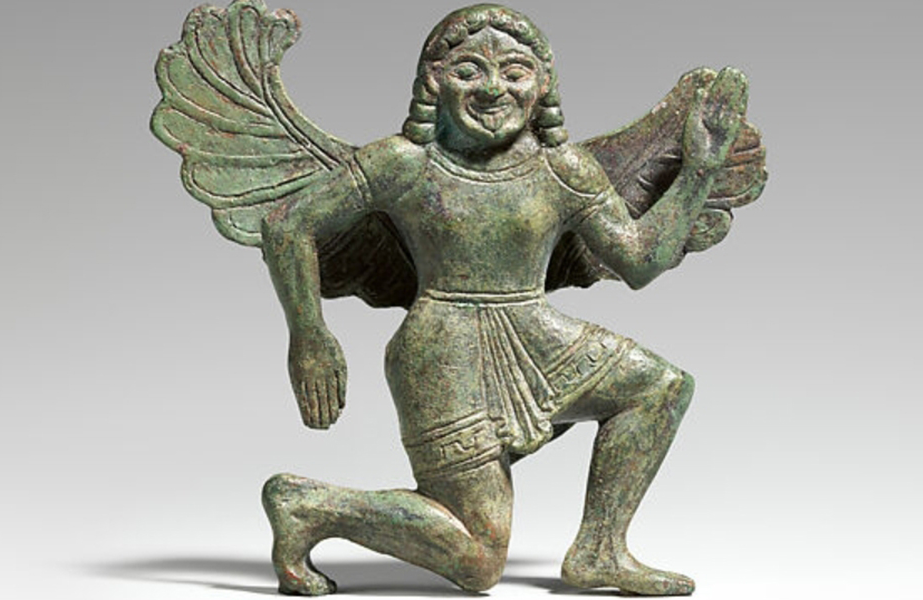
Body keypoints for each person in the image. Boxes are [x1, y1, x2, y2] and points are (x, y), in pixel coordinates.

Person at [260, 4, 746, 596]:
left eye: (515, 72)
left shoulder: (564, 169)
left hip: (535, 333)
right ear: (434, 81)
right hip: (444, 351)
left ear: (542, 86)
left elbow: (640, 260)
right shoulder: (403, 163)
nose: (494, 89)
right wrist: (309, 335)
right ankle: (307, 505)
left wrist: (698, 171)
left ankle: (600, 550)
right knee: (479, 560)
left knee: (659, 388)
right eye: (469, 70)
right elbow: (288, 225)